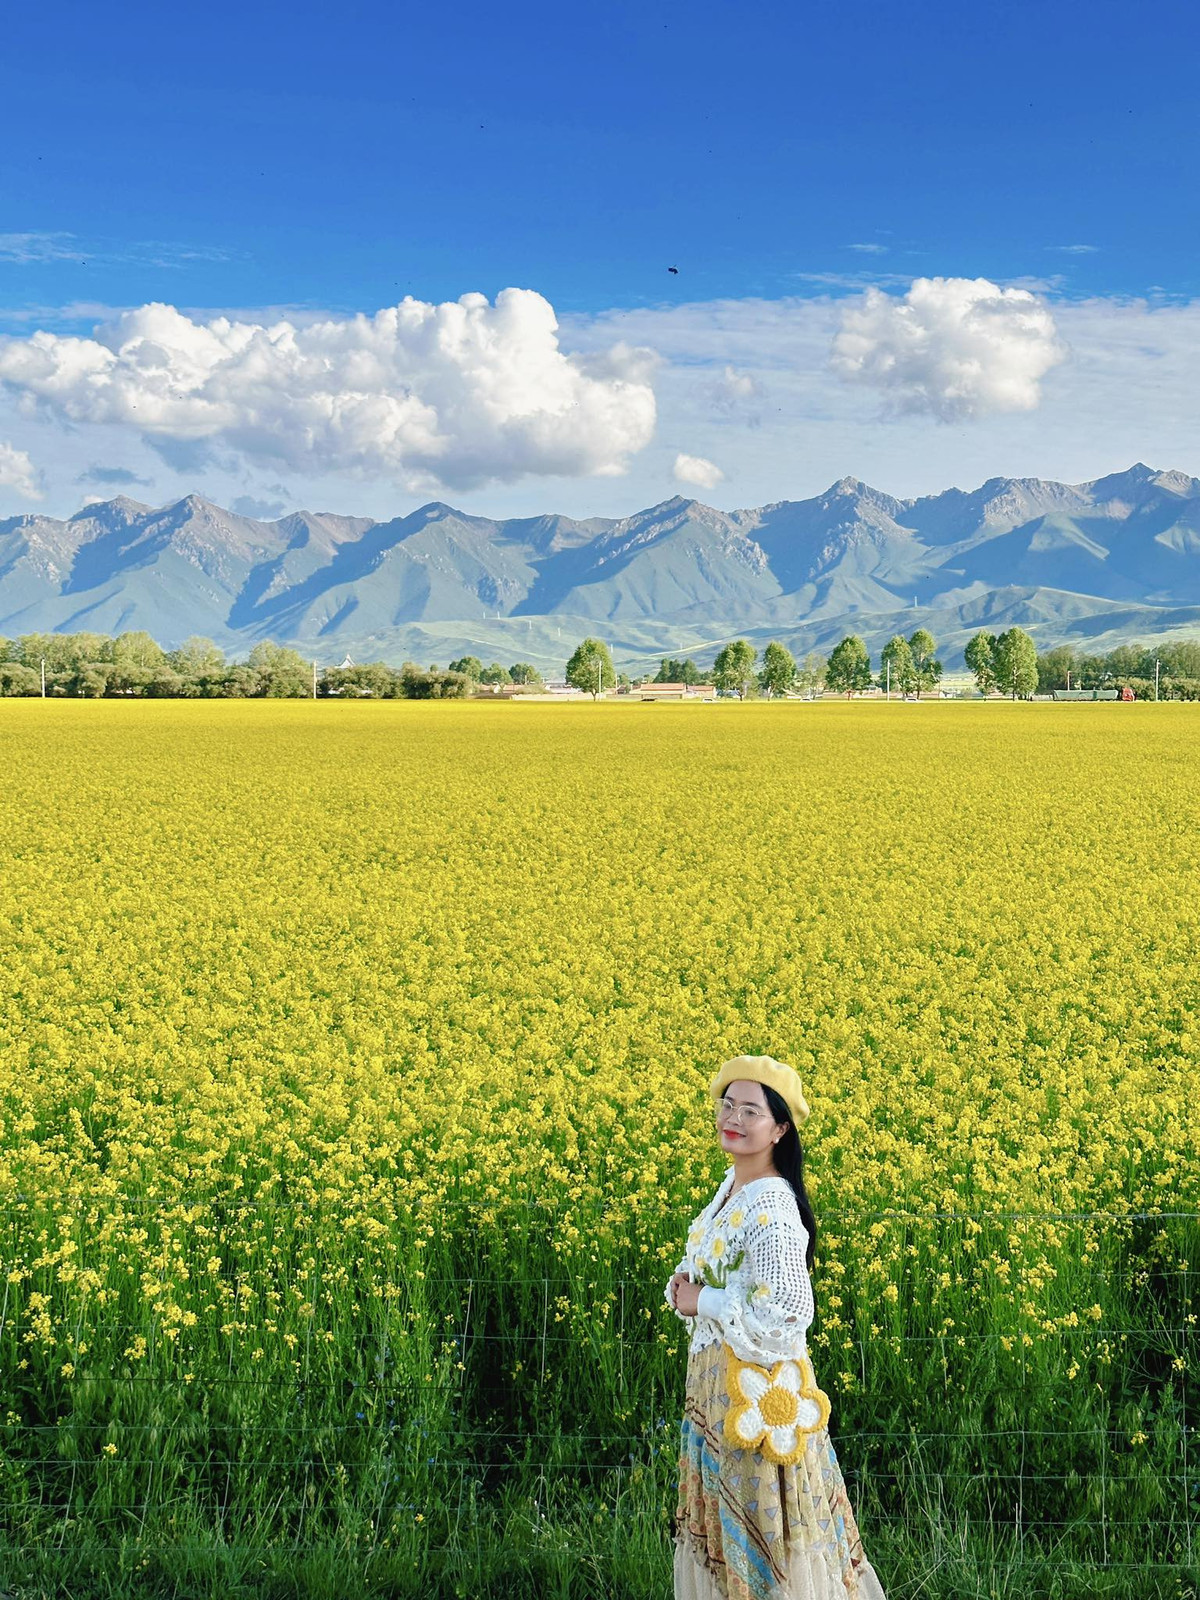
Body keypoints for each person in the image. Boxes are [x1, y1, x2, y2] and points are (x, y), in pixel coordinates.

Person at [665, 1054, 887, 1600]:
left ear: (780, 1128)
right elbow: (729, 1276)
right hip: (720, 1393)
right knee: (726, 1538)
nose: (732, 1118)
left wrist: (705, 1301)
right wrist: (686, 1286)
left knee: (763, 1540)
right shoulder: (734, 1187)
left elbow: (785, 1314)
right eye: (726, 1105)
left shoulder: (773, 1208)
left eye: (750, 1110)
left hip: (756, 1397)